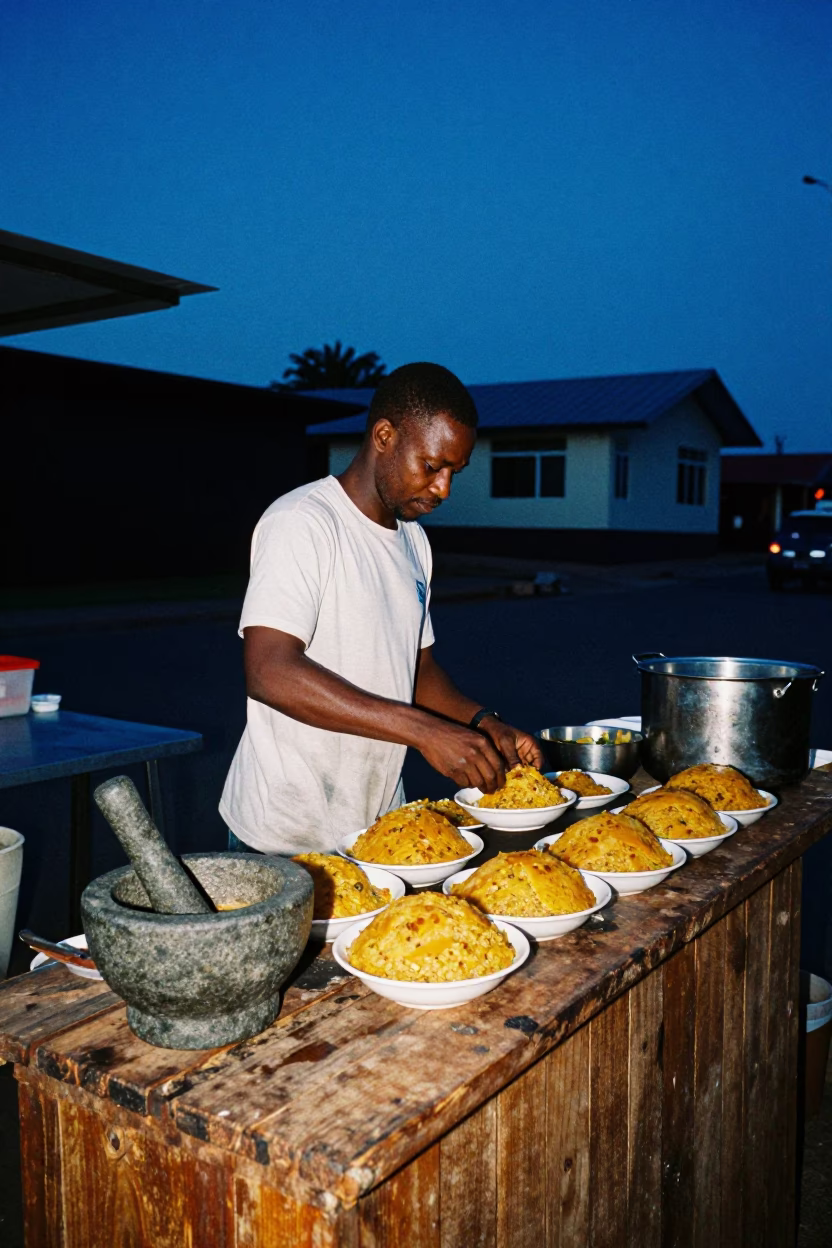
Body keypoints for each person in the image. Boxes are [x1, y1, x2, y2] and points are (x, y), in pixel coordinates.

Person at [220, 362, 544, 854]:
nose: (444, 490)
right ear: (385, 435)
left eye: (455, 472)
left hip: (376, 828)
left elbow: (416, 669)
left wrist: (482, 724)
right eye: (432, 466)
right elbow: (269, 671)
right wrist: (425, 733)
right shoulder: (303, 522)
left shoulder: (415, 544)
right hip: (282, 836)